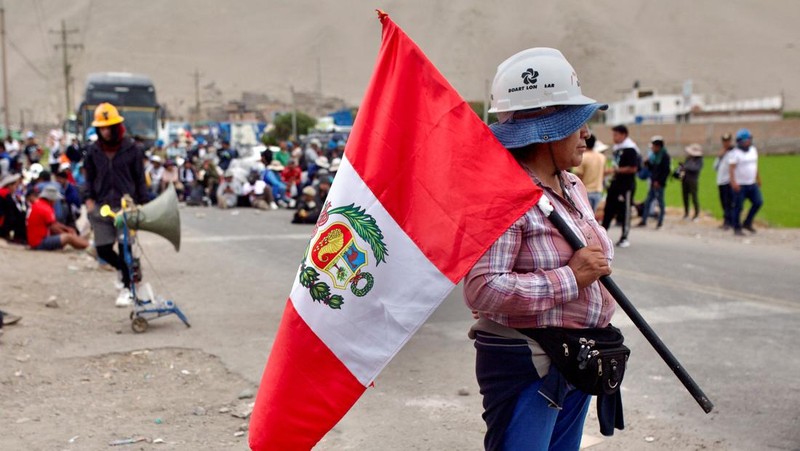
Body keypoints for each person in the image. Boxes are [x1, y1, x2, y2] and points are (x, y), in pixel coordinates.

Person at [464, 47, 619, 450]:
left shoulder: (570, 185)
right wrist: (571, 278)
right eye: (576, 123)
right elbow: (482, 288)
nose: (586, 133)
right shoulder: (503, 196)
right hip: (526, 362)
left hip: (575, 356)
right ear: (545, 129)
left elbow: (595, 256)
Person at [83, 103, 149, 307]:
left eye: (108, 127)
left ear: (116, 126)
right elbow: (88, 178)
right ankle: (125, 271)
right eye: (101, 128)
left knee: (125, 248)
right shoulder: (93, 152)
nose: (105, 131)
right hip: (102, 206)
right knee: (102, 249)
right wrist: (89, 200)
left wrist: (141, 203)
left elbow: (139, 178)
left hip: (126, 206)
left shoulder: (133, 150)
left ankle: (129, 288)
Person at [601, 125, 639, 247]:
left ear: (623, 135)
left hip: (625, 185)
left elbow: (633, 168)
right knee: (608, 209)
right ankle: (602, 235)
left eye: (616, 135)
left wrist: (614, 171)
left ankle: (624, 237)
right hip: (615, 184)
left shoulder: (631, 149)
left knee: (625, 211)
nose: (614, 137)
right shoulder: (617, 149)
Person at [26, 185, 89, 251]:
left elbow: (53, 223)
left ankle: (84, 244)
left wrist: (67, 229)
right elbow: (53, 227)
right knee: (68, 237)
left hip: (36, 240)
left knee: (69, 234)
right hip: (39, 242)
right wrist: (67, 234)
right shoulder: (45, 208)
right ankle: (88, 246)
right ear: (51, 199)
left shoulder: (40, 205)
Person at [729, 128, 762, 236]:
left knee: (758, 202)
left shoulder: (753, 150)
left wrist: (758, 178)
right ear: (739, 141)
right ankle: (736, 227)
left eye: (749, 139)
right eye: (745, 140)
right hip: (740, 184)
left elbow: (755, 166)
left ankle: (747, 222)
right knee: (738, 207)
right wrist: (733, 182)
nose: (747, 142)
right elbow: (731, 169)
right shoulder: (735, 153)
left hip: (751, 183)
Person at [637, 136, 671, 229]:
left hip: (659, 184)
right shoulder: (655, 156)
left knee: (660, 203)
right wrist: (648, 163)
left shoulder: (665, 157)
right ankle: (644, 220)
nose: (652, 148)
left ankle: (660, 222)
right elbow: (653, 169)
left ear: (658, 146)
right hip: (653, 183)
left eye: (654, 147)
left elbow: (666, 171)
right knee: (648, 202)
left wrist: (659, 182)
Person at [572, 133, 607, 213]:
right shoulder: (602, 157)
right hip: (598, 191)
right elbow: (604, 173)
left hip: (585, 192)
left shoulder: (582, 157)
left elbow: (578, 176)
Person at [714, 133, 735, 229]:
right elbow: (714, 167)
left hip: (729, 181)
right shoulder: (721, 153)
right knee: (723, 202)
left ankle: (729, 221)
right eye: (724, 141)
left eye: (728, 141)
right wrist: (720, 156)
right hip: (720, 181)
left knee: (728, 202)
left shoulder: (734, 152)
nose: (726, 143)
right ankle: (727, 220)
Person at [0, 173, 27, 243]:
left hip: (5, 218)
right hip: (3, 220)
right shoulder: (5, 194)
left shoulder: (6, 194)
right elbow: (12, 210)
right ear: (9, 186)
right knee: (21, 217)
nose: (16, 188)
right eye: (15, 185)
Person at [680, 143, 704, 221]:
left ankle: (696, 214)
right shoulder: (688, 158)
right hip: (685, 179)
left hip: (693, 180)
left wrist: (686, 167)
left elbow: (695, 168)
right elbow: (685, 167)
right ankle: (686, 213)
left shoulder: (699, 160)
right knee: (685, 197)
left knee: (694, 197)